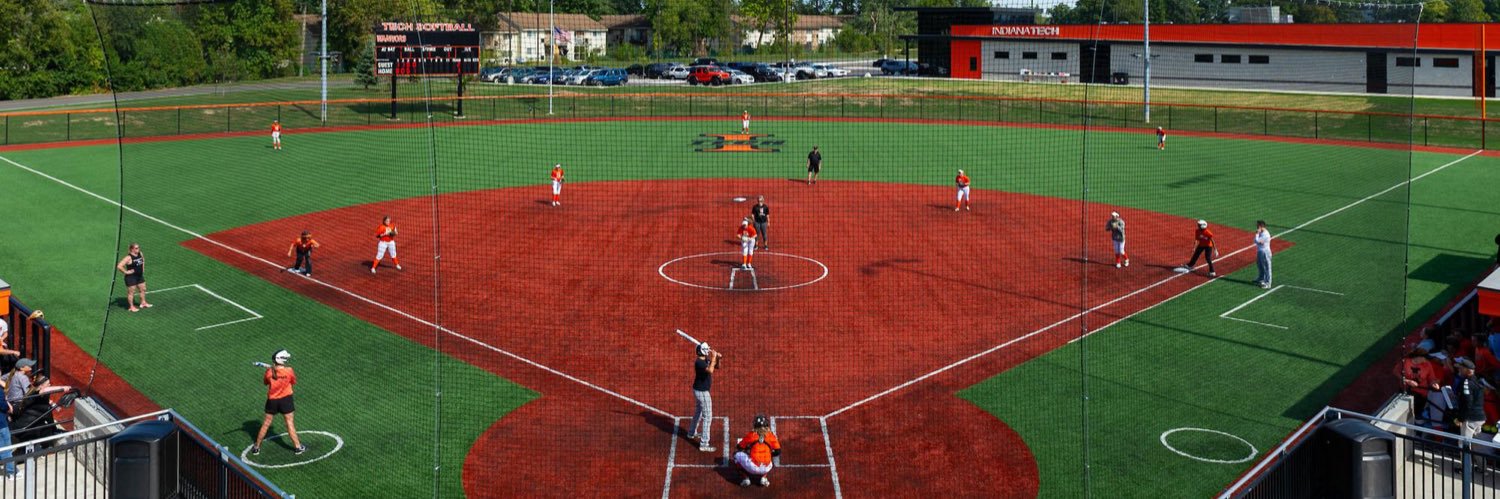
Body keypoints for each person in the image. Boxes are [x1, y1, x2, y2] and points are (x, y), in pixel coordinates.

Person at [252, 349, 306, 456]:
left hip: (272, 401)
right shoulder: (289, 370)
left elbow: (265, 382)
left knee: (266, 424)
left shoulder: (269, 372)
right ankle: (298, 447)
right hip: (286, 400)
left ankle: (256, 447)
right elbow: (293, 381)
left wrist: (272, 372)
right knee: (290, 423)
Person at [687, 342, 721, 452]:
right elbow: (710, 370)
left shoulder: (705, 360)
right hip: (702, 392)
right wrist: (714, 356)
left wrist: (718, 358)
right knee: (707, 417)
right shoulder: (699, 363)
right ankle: (704, 443)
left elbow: (716, 367)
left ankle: (691, 433)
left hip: (698, 390)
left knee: (699, 412)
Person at [733, 414, 782, 487]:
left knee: (735, 455)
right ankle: (764, 478)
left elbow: (739, 447)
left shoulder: (751, 435)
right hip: (767, 467)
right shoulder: (770, 435)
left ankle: (745, 478)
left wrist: (748, 450)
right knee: (770, 456)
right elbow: (778, 451)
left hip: (752, 468)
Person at [116, 243, 151, 312]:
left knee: (143, 289)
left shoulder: (140, 254)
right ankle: (131, 307)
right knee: (131, 292)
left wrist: (142, 268)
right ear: (132, 249)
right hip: (131, 278)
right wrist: (126, 272)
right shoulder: (128, 257)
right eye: (136, 248)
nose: (138, 249)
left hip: (139, 276)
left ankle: (143, 303)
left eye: (138, 247)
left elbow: (143, 260)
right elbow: (119, 266)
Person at [1253, 221, 1273, 288]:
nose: (1257, 228)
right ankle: (1261, 278)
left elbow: (1258, 241)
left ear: (1261, 227)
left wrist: (1257, 234)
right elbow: (1255, 241)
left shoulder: (1266, 235)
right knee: (1260, 265)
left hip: (1265, 252)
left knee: (1267, 267)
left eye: (1258, 226)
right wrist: (1257, 236)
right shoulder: (1261, 233)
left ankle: (1268, 283)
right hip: (1260, 251)